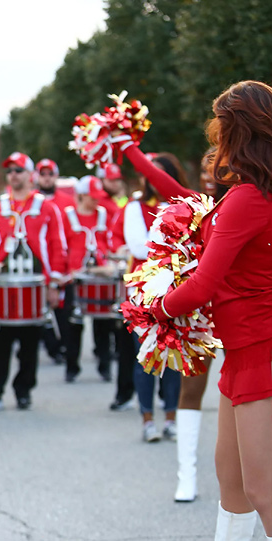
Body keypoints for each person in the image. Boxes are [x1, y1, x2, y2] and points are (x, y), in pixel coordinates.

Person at [127, 81, 272, 539]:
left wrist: (151, 307)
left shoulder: (250, 199)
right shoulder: (250, 194)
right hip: (242, 352)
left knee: (263, 490)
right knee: (232, 486)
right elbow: (181, 200)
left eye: (221, 128)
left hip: (260, 351)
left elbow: (204, 284)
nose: (216, 138)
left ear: (235, 131)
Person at [0, 152, 67, 412]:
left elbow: (57, 246)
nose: (13, 175)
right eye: (10, 171)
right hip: (3, 285)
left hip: (35, 285)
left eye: (18, 170)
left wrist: (54, 284)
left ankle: (24, 390)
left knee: (30, 341)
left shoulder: (47, 207)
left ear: (31, 175)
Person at [109, 151, 186, 442]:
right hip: (142, 294)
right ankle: (147, 420)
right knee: (146, 356)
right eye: (147, 172)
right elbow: (140, 249)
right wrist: (171, 242)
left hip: (176, 291)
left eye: (157, 172)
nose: (150, 178)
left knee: (173, 356)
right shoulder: (134, 207)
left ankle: (170, 418)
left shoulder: (182, 203)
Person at [62, 176, 115, 383]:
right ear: (82, 195)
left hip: (100, 277)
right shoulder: (68, 216)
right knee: (72, 325)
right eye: (92, 197)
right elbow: (61, 244)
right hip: (75, 278)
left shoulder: (103, 215)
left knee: (104, 325)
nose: (96, 201)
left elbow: (109, 241)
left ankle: (105, 365)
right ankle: (72, 366)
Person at [35, 158, 74, 367]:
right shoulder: (32, 202)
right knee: (40, 313)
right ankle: (52, 348)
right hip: (40, 266)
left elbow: (70, 236)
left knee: (63, 311)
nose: (47, 178)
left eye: (50, 174)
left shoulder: (68, 202)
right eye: (43, 174)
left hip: (61, 263)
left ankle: (66, 349)